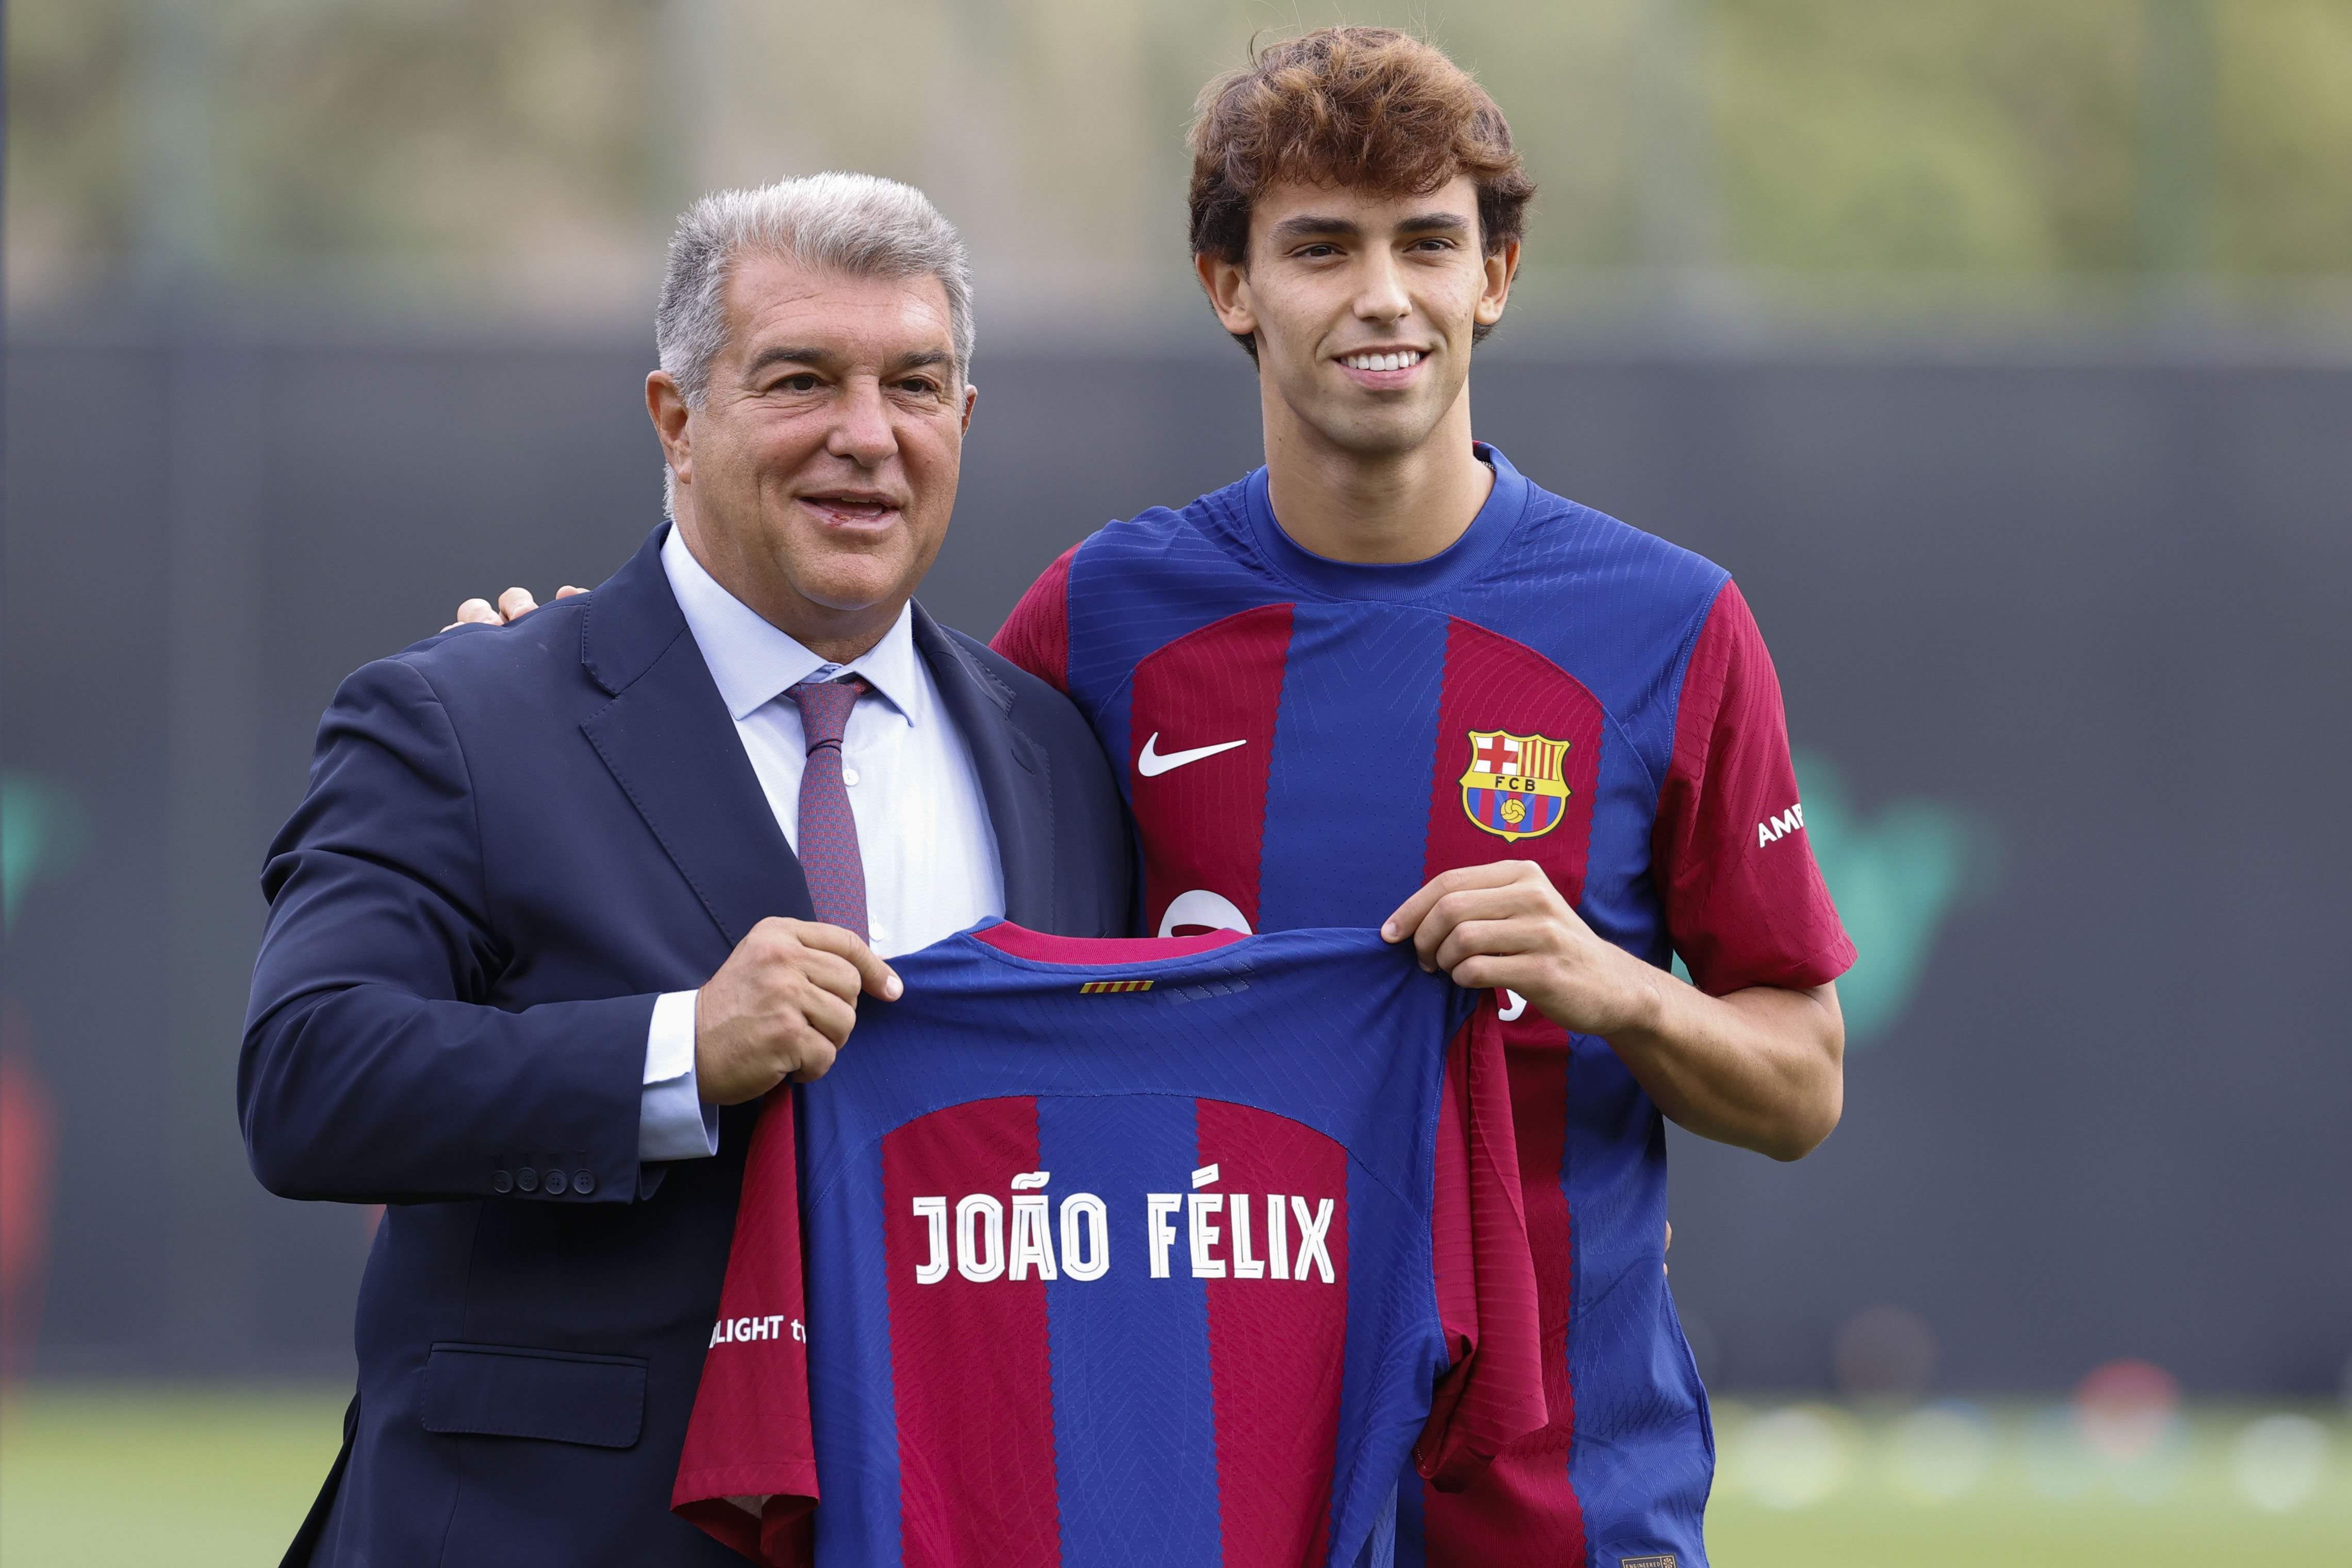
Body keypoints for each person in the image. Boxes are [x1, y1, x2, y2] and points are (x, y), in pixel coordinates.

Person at [985, 29, 1855, 1566]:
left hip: (1563, 1499)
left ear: (1493, 277)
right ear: (1230, 288)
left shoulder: (1666, 622)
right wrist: (557, 677)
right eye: (1320, 246)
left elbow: (1798, 1085)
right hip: (1194, 1483)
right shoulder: (1102, 618)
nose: (1380, 294)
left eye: (1425, 243)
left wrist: (1614, 989)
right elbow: (871, 858)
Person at [242, 173, 1129, 1568]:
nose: (865, 435)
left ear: (962, 420)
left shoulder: (1055, 757)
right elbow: (307, 1078)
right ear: (674, 418)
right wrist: (677, 1051)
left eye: (914, 384)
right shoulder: (463, 714)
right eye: (798, 380)